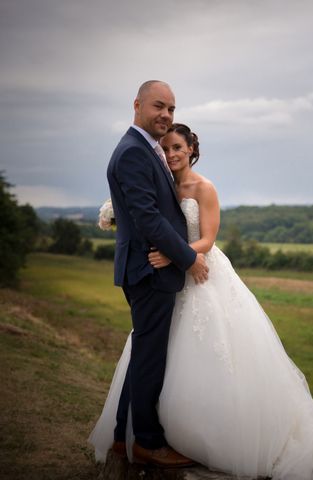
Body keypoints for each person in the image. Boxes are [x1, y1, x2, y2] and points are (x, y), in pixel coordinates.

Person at [90, 123, 313, 479]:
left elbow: (208, 239)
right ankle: (145, 431)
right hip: (173, 275)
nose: (171, 154)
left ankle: (212, 433)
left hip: (200, 270)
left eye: (178, 147)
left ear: (191, 150)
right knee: (155, 351)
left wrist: (173, 255)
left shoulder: (204, 187)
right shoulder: (162, 182)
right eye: (166, 148)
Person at [89, 81, 208, 468]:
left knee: (144, 354)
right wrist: (188, 259)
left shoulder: (144, 148)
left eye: (172, 109)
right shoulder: (133, 152)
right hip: (150, 268)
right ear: (138, 104)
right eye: (160, 106)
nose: (167, 115)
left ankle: (125, 438)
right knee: (150, 359)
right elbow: (149, 218)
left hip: (145, 266)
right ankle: (148, 442)